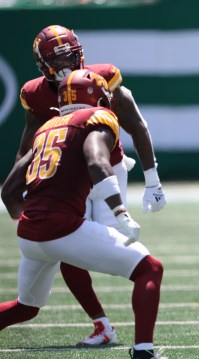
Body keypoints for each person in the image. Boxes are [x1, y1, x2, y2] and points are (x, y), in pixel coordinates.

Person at [15, 24, 167, 345]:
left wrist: (152, 179)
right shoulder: (35, 94)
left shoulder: (101, 80)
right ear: (43, 68)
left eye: (70, 58)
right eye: (58, 62)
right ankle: (104, 326)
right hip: (71, 175)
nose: (68, 67)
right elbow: (28, 147)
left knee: (84, 245)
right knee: (70, 247)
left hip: (109, 169)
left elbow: (136, 127)